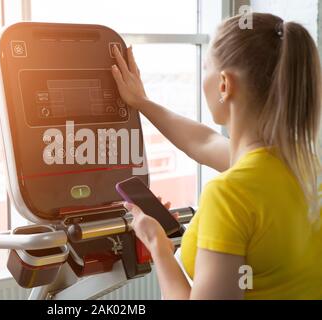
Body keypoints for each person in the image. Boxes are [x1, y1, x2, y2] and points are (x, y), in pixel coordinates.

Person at [111, 12, 322, 299]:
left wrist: (157, 244)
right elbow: (203, 141)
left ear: (224, 84)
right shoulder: (303, 166)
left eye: (206, 66)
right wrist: (142, 103)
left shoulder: (229, 195)